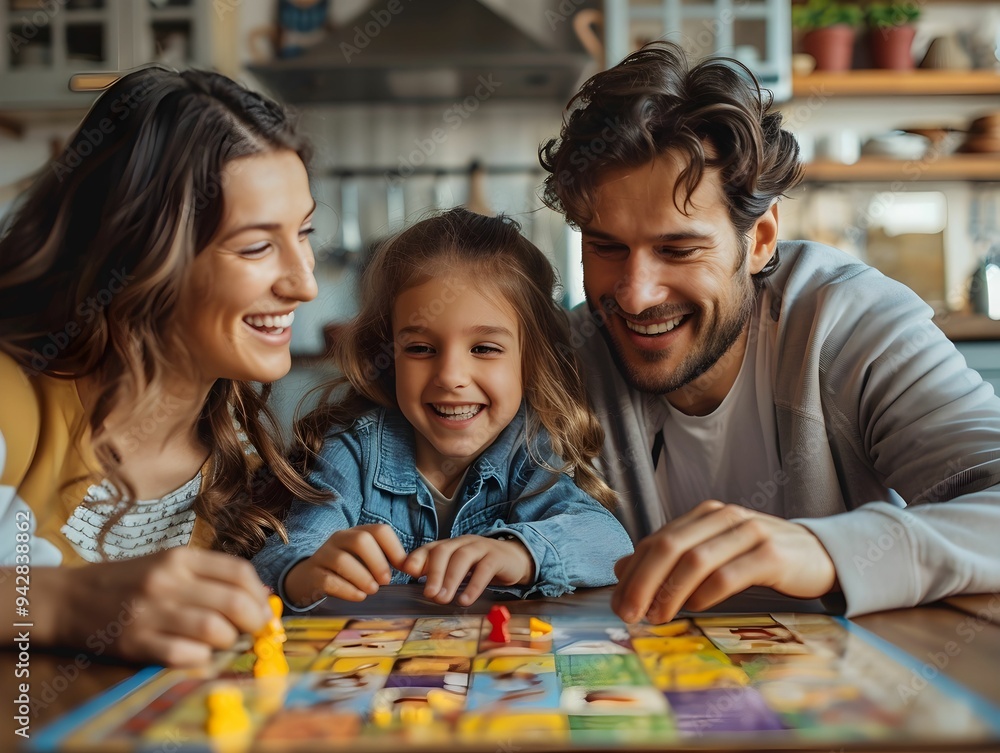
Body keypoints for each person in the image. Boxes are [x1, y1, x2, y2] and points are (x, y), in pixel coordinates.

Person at [538, 42, 1000, 625]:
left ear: (758, 241)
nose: (635, 293)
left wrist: (823, 550)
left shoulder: (850, 321)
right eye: (605, 247)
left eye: (678, 249)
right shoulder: (567, 359)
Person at [0, 66, 323, 666]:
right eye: (256, 246)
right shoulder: (11, 397)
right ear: (141, 251)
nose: (305, 283)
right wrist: (63, 603)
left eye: (304, 232)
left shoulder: (236, 463)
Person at [250, 208, 633, 609]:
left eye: (484, 348)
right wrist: (305, 573)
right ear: (390, 355)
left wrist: (520, 553)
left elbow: (608, 544)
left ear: (529, 361)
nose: (450, 376)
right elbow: (284, 555)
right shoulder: (353, 452)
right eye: (420, 349)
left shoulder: (529, 450)